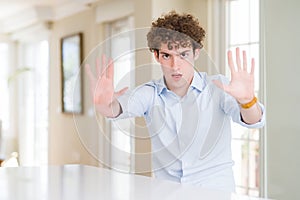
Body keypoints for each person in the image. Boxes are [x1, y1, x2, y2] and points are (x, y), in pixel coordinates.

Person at [85, 11, 265, 192]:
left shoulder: (218, 87)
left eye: (183, 54)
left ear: (196, 53)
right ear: (156, 56)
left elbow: (253, 120)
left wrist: (247, 101)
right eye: (166, 56)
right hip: (167, 192)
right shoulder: (149, 94)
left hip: (215, 191)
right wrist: (103, 105)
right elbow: (117, 109)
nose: (175, 66)